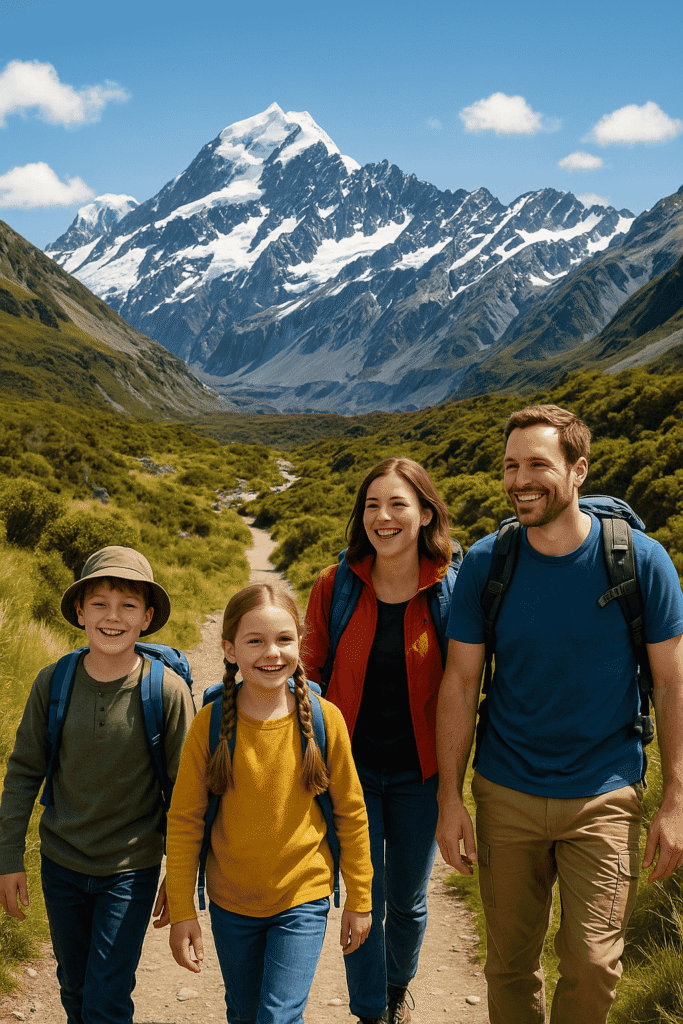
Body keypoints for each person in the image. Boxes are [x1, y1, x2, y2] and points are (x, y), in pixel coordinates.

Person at [435, 404, 683, 1024]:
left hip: (605, 795)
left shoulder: (642, 561)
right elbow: (461, 683)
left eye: (538, 464)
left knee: (594, 966)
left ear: (578, 471)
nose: (521, 480)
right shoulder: (488, 564)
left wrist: (676, 800)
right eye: (511, 465)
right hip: (505, 793)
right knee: (511, 966)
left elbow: (673, 680)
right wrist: (450, 798)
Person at [0, 545, 195, 1024]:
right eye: (100, 604)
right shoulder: (54, 682)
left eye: (128, 605)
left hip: (130, 871)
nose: (113, 617)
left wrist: (182, 876)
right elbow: (24, 772)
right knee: (74, 988)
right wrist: (8, 858)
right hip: (60, 863)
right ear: (80, 613)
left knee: (106, 999)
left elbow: (188, 795)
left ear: (147, 618)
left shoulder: (165, 692)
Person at [165, 582, 372, 1024]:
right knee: (243, 1012)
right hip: (230, 901)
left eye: (284, 639)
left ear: (300, 642)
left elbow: (351, 813)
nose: (271, 653)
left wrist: (360, 898)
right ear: (229, 648)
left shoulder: (324, 718)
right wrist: (183, 909)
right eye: (254, 641)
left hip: (304, 895)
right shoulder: (209, 724)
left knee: (277, 1015)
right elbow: (185, 821)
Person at [305, 457, 456, 1024]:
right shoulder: (337, 583)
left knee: (410, 903)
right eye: (372, 505)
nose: (384, 517)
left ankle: (396, 989)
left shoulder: (449, 588)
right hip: (353, 771)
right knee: (363, 896)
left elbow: (467, 682)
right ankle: (373, 1012)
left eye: (398, 504)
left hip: (422, 774)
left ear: (424, 513)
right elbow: (312, 670)